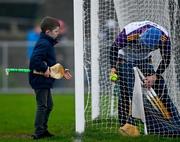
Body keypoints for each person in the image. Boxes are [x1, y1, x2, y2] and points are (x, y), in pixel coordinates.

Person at [110, 21, 180, 136]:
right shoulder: (131, 32)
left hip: (144, 60)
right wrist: (113, 68)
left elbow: (166, 59)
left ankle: (176, 122)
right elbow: (114, 48)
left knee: (160, 86)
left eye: (148, 47)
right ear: (141, 36)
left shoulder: (164, 38)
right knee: (130, 92)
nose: (143, 48)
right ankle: (125, 125)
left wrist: (154, 76)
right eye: (142, 45)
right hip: (125, 59)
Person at [29, 16, 72, 140]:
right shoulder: (44, 43)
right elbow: (35, 61)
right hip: (39, 80)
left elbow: (51, 64)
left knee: (49, 106)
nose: (58, 33)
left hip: (45, 80)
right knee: (43, 106)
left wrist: (62, 71)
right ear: (48, 32)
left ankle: (43, 129)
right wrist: (44, 68)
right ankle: (39, 132)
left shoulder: (47, 42)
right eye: (56, 31)